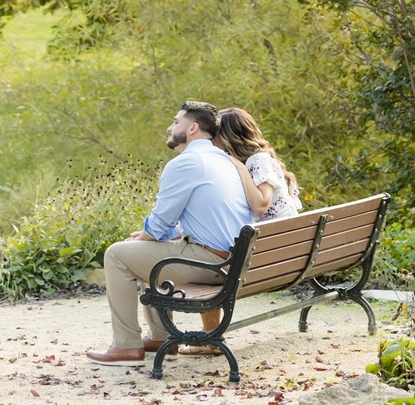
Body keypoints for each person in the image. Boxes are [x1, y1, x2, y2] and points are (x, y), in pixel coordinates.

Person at [86, 100, 252, 367]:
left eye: (176, 122)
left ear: (193, 128)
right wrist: (146, 238)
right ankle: (161, 337)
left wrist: (144, 239)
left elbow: (161, 221)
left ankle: (126, 347)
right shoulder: (224, 162)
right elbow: (201, 217)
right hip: (230, 261)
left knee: (117, 254)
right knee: (141, 249)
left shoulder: (187, 163)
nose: (169, 127)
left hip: (211, 263)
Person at [179, 105, 301, 356]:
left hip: (268, 256)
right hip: (285, 252)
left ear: (229, 136)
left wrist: (238, 166)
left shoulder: (257, 161)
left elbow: (261, 204)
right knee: (204, 247)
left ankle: (208, 337)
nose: (211, 142)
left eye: (215, 136)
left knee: (204, 255)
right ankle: (207, 335)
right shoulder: (262, 161)